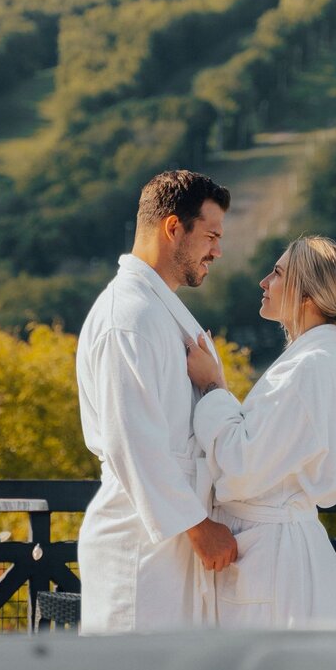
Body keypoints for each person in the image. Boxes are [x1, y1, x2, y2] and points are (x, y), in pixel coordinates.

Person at [75, 170, 239, 633]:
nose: (218, 251)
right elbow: (132, 439)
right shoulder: (127, 318)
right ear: (173, 229)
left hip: (174, 535)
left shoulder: (157, 311)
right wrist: (197, 526)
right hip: (140, 542)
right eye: (210, 236)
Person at [183, 235, 336, 628]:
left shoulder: (308, 369)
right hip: (274, 553)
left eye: (278, 273)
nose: (264, 282)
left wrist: (214, 387)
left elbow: (243, 467)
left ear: (307, 296)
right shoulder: (312, 362)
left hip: (275, 563)